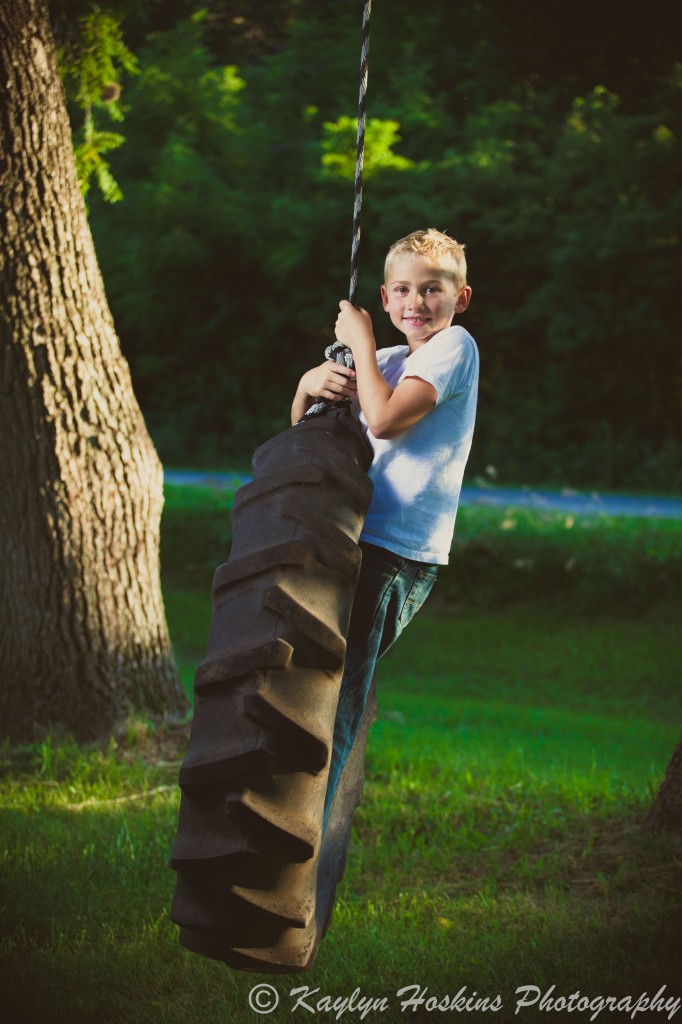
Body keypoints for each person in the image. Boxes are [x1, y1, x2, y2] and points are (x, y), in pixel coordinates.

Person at [291, 228, 479, 827]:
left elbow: (386, 418)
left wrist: (363, 343)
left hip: (396, 551)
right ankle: (287, 803)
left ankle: (304, 832)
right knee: (313, 679)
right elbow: (308, 438)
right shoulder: (391, 361)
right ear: (384, 294)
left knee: (340, 690)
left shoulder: (455, 349)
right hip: (351, 537)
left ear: (461, 298)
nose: (416, 302)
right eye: (402, 289)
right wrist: (307, 387)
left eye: (432, 290)